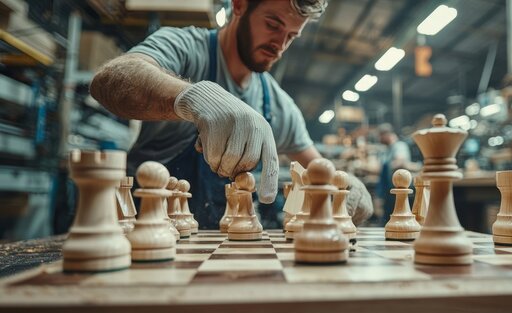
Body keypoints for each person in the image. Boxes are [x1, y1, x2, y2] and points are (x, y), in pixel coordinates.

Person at [89, 0, 372, 228]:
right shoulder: (187, 48)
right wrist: (191, 97)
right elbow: (109, 80)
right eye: (273, 24)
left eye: (291, 36)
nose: (280, 44)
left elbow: (317, 167)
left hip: (233, 243)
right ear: (239, 5)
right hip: (149, 230)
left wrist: (345, 186)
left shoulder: (276, 104)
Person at [375, 123, 411, 225]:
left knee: (397, 215)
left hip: (398, 187)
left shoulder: (399, 146)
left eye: (380, 136)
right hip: (389, 189)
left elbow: (400, 161)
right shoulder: (387, 149)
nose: (379, 139)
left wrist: (387, 166)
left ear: (386, 134)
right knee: (387, 215)